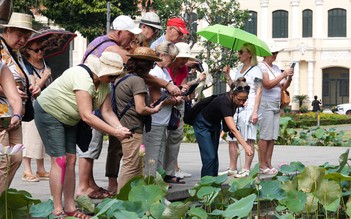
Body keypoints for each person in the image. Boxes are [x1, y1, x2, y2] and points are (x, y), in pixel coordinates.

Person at [34, 51, 132, 218]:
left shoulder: (105, 85)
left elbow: (107, 111)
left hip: (71, 118)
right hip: (49, 113)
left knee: (71, 159)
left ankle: (70, 207)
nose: (114, 80)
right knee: (60, 160)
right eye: (112, 76)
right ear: (102, 71)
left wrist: (120, 128)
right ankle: (57, 209)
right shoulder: (83, 78)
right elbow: (87, 116)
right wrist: (115, 132)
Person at [77, 15, 141, 198]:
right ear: (119, 32)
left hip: (95, 100)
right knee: (90, 148)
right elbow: (135, 61)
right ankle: (83, 187)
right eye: (130, 35)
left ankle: (89, 184)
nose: (131, 40)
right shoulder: (111, 48)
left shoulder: (98, 41)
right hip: (91, 102)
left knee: (90, 146)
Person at [0, 12, 40, 193]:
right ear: (7, 30)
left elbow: (16, 79)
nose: (23, 40)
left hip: (15, 112)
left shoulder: (15, 52)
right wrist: (8, 91)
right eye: (19, 35)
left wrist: (31, 86)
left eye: (26, 36)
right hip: (2, 113)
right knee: (3, 160)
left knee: (15, 158)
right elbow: (7, 84)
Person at [115, 47, 163, 191]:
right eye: (152, 64)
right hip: (133, 128)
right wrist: (154, 109)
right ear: (145, 65)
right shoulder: (137, 81)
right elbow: (140, 108)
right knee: (131, 166)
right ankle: (121, 199)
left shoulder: (122, 78)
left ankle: (130, 198)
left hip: (124, 125)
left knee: (135, 165)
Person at [194, 77, 253, 177]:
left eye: (244, 100)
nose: (242, 103)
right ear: (233, 94)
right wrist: (246, 146)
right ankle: (205, 184)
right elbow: (233, 129)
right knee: (209, 157)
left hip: (214, 124)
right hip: (202, 124)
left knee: (214, 156)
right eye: (240, 99)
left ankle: (213, 184)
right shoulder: (224, 102)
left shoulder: (234, 101)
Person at [165, 42, 206, 182]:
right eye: (181, 58)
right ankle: (160, 173)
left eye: (185, 59)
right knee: (163, 138)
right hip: (166, 102)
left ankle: (170, 172)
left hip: (178, 103)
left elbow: (182, 86)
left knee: (176, 137)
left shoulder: (183, 69)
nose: (183, 61)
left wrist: (186, 89)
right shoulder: (167, 68)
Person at [221, 43, 262, 178]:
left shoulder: (256, 70)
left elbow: (259, 91)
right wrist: (227, 75)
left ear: (249, 54)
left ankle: (246, 168)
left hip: (249, 106)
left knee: (249, 138)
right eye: (238, 52)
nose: (238, 54)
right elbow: (234, 87)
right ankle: (233, 167)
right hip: (237, 107)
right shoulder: (239, 69)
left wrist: (255, 111)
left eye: (241, 52)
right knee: (232, 137)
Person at [143, 41, 179, 178]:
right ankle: (151, 186)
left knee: (158, 156)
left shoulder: (164, 71)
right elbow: (156, 98)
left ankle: (158, 186)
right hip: (155, 120)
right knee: (152, 158)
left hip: (162, 120)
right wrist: (175, 100)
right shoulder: (155, 71)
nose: (173, 61)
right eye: (172, 58)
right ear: (162, 55)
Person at [257, 46, 294, 175]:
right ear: (265, 54)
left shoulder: (276, 68)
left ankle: (268, 162)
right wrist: (283, 74)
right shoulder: (261, 67)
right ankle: (262, 164)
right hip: (266, 103)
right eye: (272, 53)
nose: (275, 55)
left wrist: (288, 77)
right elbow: (267, 84)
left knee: (272, 136)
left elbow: (283, 85)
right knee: (265, 136)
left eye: (276, 53)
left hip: (276, 103)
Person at [21, 38, 52, 182]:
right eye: (36, 50)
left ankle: (41, 169)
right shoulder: (26, 66)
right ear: (28, 51)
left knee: (41, 137)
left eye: (42, 49)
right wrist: (45, 76)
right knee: (30, 136)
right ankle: (27, 170)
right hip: (31, 105)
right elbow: (33, 89)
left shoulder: (45, 64)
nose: (40, 52)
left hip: (45, 104)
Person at [0, 63, 23, 194]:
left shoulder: (2, 68)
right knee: (3, 161)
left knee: (16, 157)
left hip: (8, 118)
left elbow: (14, 97)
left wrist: (17, 114)